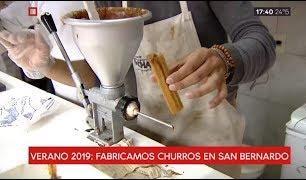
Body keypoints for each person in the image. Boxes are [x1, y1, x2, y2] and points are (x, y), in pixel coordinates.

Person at [0, 1, 276, 178]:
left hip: (208, 147)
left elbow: (260, 40)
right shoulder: (102, 5)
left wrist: (225, 59)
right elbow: (95, 76)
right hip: (143, 144)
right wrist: (47, 64)